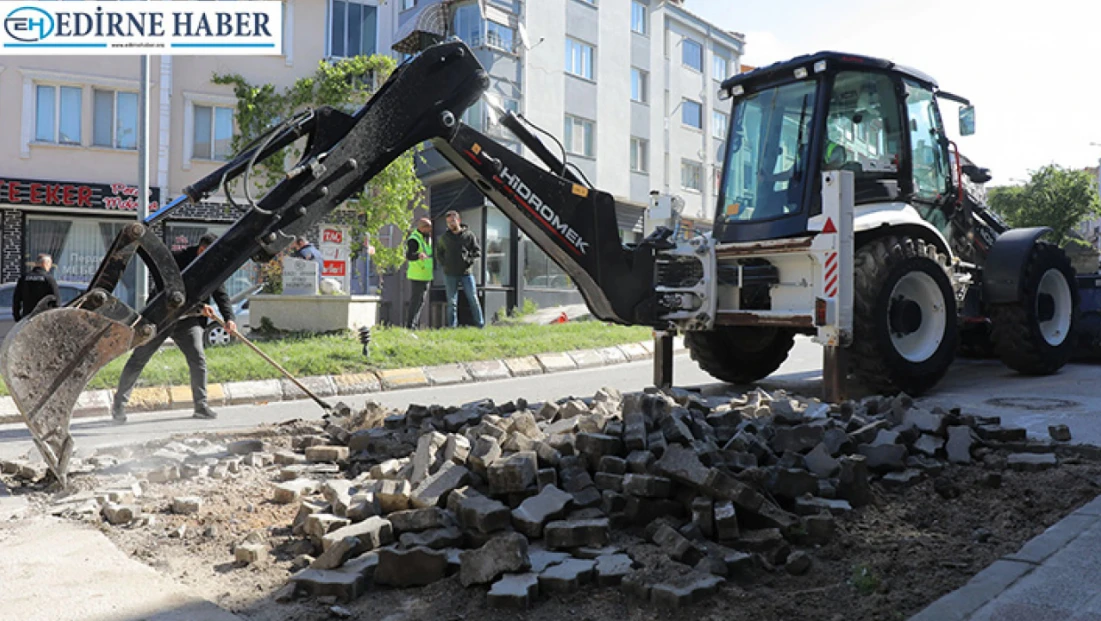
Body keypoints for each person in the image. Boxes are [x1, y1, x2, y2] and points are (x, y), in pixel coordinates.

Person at [111, 233, 236, 424]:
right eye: (206, 253)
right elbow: (170, 294)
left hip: (188, 322)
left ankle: (201, 406)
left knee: (198, 359)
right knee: (139, 358)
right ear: (201, 249)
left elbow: (221, 293)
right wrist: (198, 308)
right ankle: (119, 405)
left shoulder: (212, 264)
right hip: (161, 318)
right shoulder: (177, 260)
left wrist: (229, 318)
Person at [437, 210, 484, 328]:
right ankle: (452, 326)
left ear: (458, 220)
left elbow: (477, 251)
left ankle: (480, 324)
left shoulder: (468, 235)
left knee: (473, 299)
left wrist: (468, 260)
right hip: (450, 274)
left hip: (466, 273)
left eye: (453, 221)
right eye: (448, 222)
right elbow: (439, 254)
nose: (451, 224)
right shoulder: (444, 238)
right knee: (451, 302)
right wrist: (445, 264)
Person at [12, 254, 61, 321]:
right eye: (50, 264)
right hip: (43, 319)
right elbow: (56, 301)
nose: (50, 267)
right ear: (45, 263)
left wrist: (17, 317)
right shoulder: (49, 279)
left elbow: (16, 299)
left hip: (27, 318)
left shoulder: (24, 278)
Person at [405, 217, 434, 329]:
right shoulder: (414, 239)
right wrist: (418, 256)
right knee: (415, 301)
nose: (430, 229)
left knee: (420, 302)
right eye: (428, 227)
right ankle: (410, 325)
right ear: (421, 228)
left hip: (426, 275)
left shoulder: (427, 238)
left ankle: (414, 324)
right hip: (417, 275)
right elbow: (409, 255)